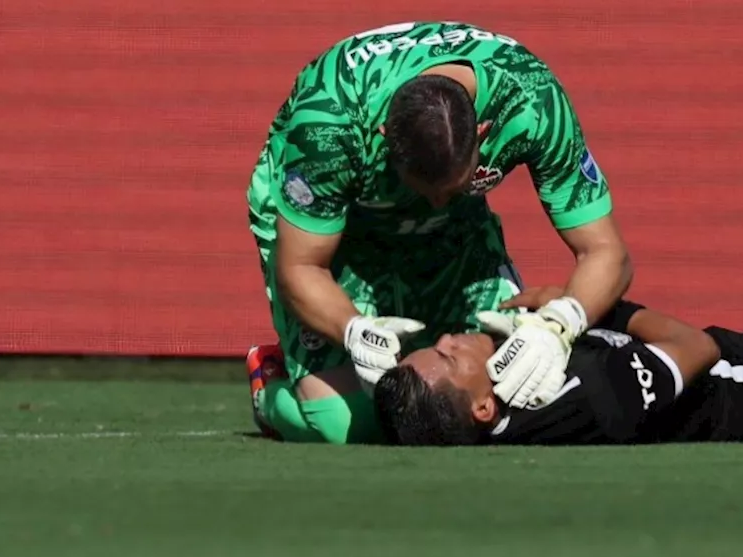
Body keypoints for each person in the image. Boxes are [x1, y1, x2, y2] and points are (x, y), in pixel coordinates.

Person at [244, 22, 633, 444]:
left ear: (483, 134)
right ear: (383, 139)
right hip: (338, 228)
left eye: (455, 186)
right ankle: (272, 389)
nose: (434, 204)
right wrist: (352, 329)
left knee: (517, 396)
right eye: (421, 189)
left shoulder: (533, 101)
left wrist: (559, 326)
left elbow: (606, 251)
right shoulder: (329, 125)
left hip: (459, 228)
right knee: (343, 424)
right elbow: (301, 265)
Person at [374, 293, 743, 446]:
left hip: (699, 391)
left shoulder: (511, 399)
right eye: (450, 355)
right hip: (736, 386)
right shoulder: (589, 397)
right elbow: (696, 347)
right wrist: (589, 309)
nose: (451, 337)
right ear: (482, 408)